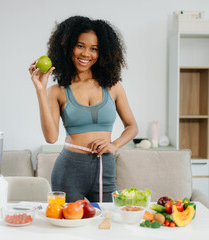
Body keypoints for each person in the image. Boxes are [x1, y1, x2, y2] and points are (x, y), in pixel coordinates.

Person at [29, 16, 138, 203]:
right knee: (69, 227)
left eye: (94, 49)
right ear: (68, 47)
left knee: (106, 223)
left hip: (105, 166)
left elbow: (132, 126)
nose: (86, 54)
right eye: (80, 46)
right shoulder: (57, 91)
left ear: (102, 52)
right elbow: (51, 137)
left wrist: (114, 145)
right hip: (69, 170)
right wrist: (40, 90)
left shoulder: (113, 86)